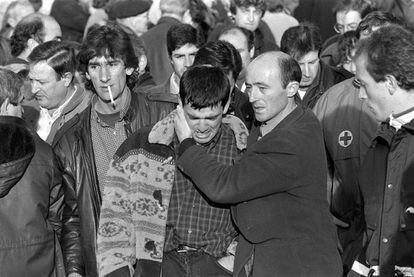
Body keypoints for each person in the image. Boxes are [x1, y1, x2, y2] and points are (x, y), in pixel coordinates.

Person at [173, 51, 342, 276]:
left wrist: (186, 144)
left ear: (291, 89)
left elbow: (225, 186)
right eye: (250, 87)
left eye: (263, 88)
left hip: (298, 266)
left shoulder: (292, 140)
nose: (253, 97)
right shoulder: (279, 119)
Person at [97, 65, 246, 277]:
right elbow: (115, 217)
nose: (202, 127)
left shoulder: (242, 149)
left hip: (217, 266)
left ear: (227, 105)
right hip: (160, 266)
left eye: (211, 118)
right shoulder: (142, 147)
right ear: (179, 103)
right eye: (193, 117)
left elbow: (264, 216)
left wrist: (235, 260)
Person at [52, 24, 163, 277]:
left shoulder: (160, 115)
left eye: (112, 64)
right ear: (86, 74)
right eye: (94, 66)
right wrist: (74, 270)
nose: (104, 76)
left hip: (162, 258)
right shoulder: (70, 140)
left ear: (131, 67)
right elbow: (72, 217)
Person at [312, 12, 401, 275]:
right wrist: (327, 221)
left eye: (381, 46)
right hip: (345, 235)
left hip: (399, 237)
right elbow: (318, 169)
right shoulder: (332, 101)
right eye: (365, 46)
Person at [348, 24, 414, 277]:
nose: (361, 96)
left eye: (364, 84)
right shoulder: (382, 139)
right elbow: (370, 229)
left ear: (389, 83)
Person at [0, 68, 65, 276]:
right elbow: (58, 215)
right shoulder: (42, 152)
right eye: (18, 103)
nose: (23, 111)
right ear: (5, 105)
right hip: (36, 264)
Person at [28, 40, 91, 143]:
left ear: (66, 79)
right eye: (31, 80)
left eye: (42, 82)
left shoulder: (89, 114)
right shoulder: (27, 109)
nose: (33, 89)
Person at [281, 23, 352, 109]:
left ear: (319, 56)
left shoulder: (342, 84)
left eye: (312, 62)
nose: (307, 73)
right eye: (299, 64)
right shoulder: (274, 84)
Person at [192, 40, 254, 130]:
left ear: (234, 82)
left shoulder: (250, 112)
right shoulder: (175, 109)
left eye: (223, 85)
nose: (215, 92)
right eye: (208, 83)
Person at [144, 23, 203, 100]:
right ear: (170, 59)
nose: (188, 63)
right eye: (180, 57)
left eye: (193, 55)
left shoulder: (217, 92)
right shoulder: (151, 98)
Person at [141, 0, 189, 85]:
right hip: (180, 92)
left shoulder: (144, 38)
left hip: (149, 94)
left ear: (159, 12)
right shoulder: (189, 37)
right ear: (186, 13)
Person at [208, 0, 278, 58]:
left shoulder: (270, 47)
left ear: (261, 15)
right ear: (234, 12)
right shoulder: (218, 35)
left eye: (256, 12)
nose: (251, 18)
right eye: (245, 11)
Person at [320, 0, 373, 67]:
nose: (345, 31)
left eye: (352, 26)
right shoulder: (329, 52)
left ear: (367, 24)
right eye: (340, 27)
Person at [218, 25, 254, 90]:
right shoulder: (213, 86)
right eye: (226, 53)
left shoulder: (266, 80)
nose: (233, 57)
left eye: (238, 51)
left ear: (251, 51)